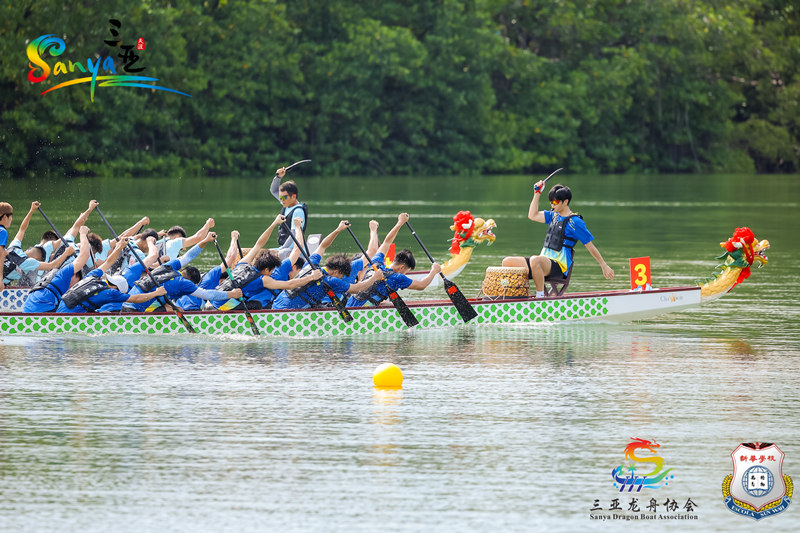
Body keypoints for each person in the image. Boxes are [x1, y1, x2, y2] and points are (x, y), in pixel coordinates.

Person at [502, 181, 614, 298]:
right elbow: (532, 215)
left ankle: (540, 298)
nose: (552, 205)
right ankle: (517, 296)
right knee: (507, 262)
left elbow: (590, 246)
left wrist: (603, 265)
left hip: (559, 266)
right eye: (551, 202)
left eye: (555, 202)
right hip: (542, 263)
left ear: (565, 202)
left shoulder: (575, 222)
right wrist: (537, 193)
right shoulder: (553, 216)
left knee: (535, 260)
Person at [206, 216, 323, 311]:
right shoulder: (265, 279)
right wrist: (312, 277)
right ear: (267, 269)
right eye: (271, 270)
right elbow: (291, 284)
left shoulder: (242, 263)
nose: (272, 272)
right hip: (225, 305)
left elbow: (259, 244)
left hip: (215, 298)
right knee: (257, 304)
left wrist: (274, 223)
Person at [271, 220, 384, 310]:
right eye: (341, 276)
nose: (341, 278)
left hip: (275, 306)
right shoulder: (331, 281)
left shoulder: (312, 263)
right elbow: (357, 288)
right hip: (287, 313)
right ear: (336, 272)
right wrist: (374, 277)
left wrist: (338, 230)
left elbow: (323, 246)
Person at [123, 232, 243, 312]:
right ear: (191, 283)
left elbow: (188, 256)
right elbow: (209, 295)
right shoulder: (184, 284)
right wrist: (231, 294)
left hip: (125, 305)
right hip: (136, 311)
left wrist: (205, 240)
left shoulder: (168, 266)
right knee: (172, 309)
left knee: (171, 306)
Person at [346, 213, 441, 307]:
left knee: (383, 301)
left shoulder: (376, 263)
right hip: (360, 313)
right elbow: (421, 285)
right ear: (402, 267)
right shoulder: (397, 277)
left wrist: (399, 223)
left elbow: (387, 242)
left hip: (349, 305)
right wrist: (434, 271)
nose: (404, 274)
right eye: (405, 272)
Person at [56, 237, 167, 313]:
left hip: (60, 310)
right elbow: (136, 298)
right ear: (116, 288)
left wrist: (119, 246)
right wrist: (156, 293)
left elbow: (108, 262)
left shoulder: (92, 276)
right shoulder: (111, 293)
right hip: (70, 317)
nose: (107, 283)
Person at [2, 202, 73, 287]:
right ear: (36, 259)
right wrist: (66, 253)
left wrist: (31, 211)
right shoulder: (28, 262)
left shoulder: (14, 247)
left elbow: (22, 229)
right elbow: (52, 265)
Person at [23, 226, 93, 313]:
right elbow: (85, 255)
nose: (76, 286)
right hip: (42, 312)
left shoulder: (54, 275)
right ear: (74, 275)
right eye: (78, 281)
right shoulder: (65, 273)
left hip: (28, 311)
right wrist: (83, 234)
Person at [270, 166, 308, 259]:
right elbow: (273, 190)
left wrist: (280, 249)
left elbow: (294, 235)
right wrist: (278, 177)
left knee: (278, 254)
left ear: (293, 196)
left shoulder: (298, 211)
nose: (281, 200)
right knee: (264, 253)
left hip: (296, 251)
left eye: (284, 197)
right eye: (281, 197)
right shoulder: (286, 203)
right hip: (284, 249)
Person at [0, 202, 12, 291]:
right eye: (11, 216)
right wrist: (0, 279)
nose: (11, 219)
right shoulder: (3, 232)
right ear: (5, 217)